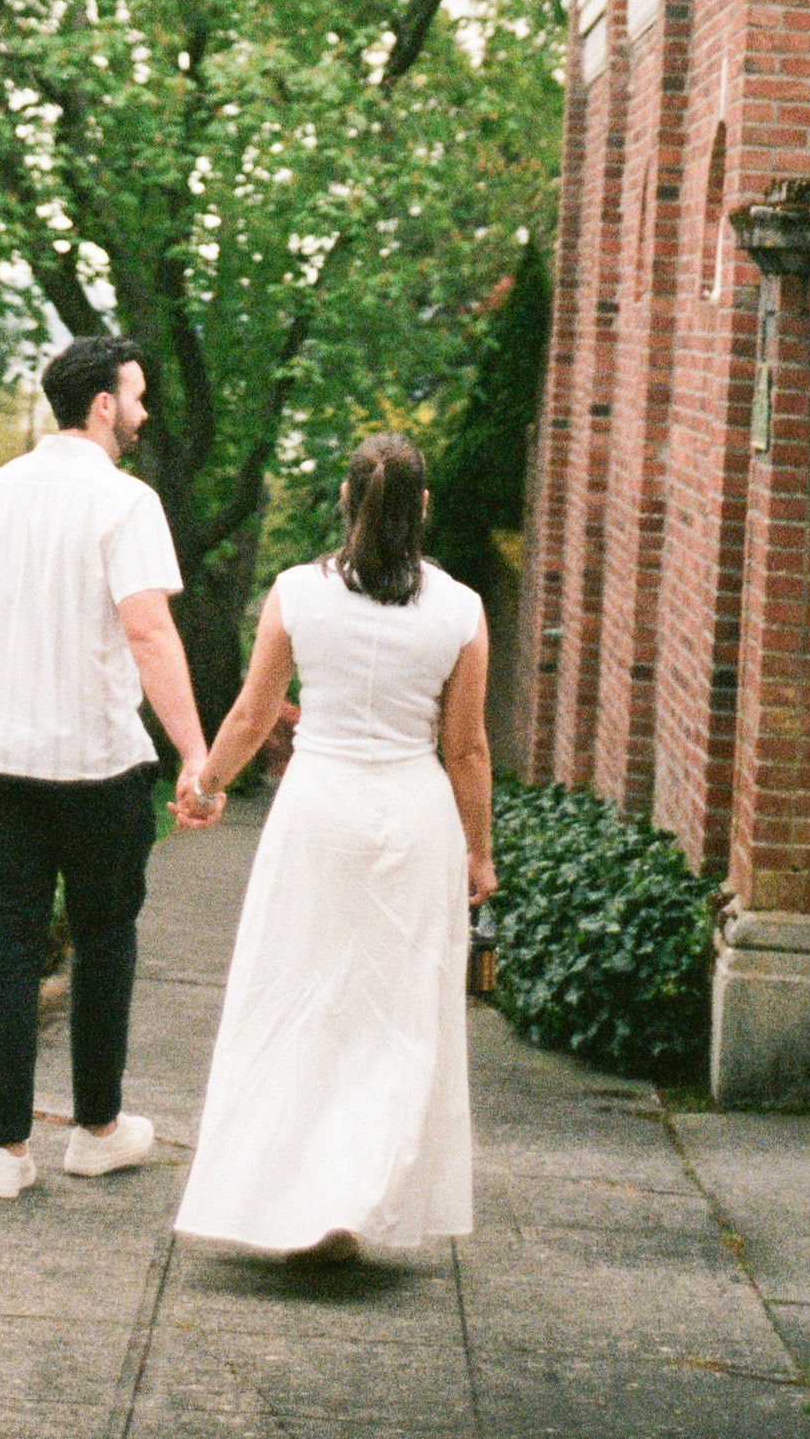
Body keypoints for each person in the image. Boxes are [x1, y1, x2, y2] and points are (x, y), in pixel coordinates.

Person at [171, 432, 494, 1259]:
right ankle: (362, 1193)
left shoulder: (296, 593)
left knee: (299, 996)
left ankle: (288, 1196)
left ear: (346, 504)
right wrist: (479, 851)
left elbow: (251, 714)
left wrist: (206, 784)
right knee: (395, 1016)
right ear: (422, 510)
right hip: (413, 820)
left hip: (319, 811)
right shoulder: (460, 609)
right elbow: (466, 749)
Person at [0, 332, 218, 1202]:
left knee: (7, 940)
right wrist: (195, 751)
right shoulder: (126, 503)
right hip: (97, 764)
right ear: (103, 404)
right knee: (103, 941)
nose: (144, 411)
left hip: (1, 761)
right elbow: (147, 629)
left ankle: (3, 1151)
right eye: (136, 396)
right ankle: (96, 1130)